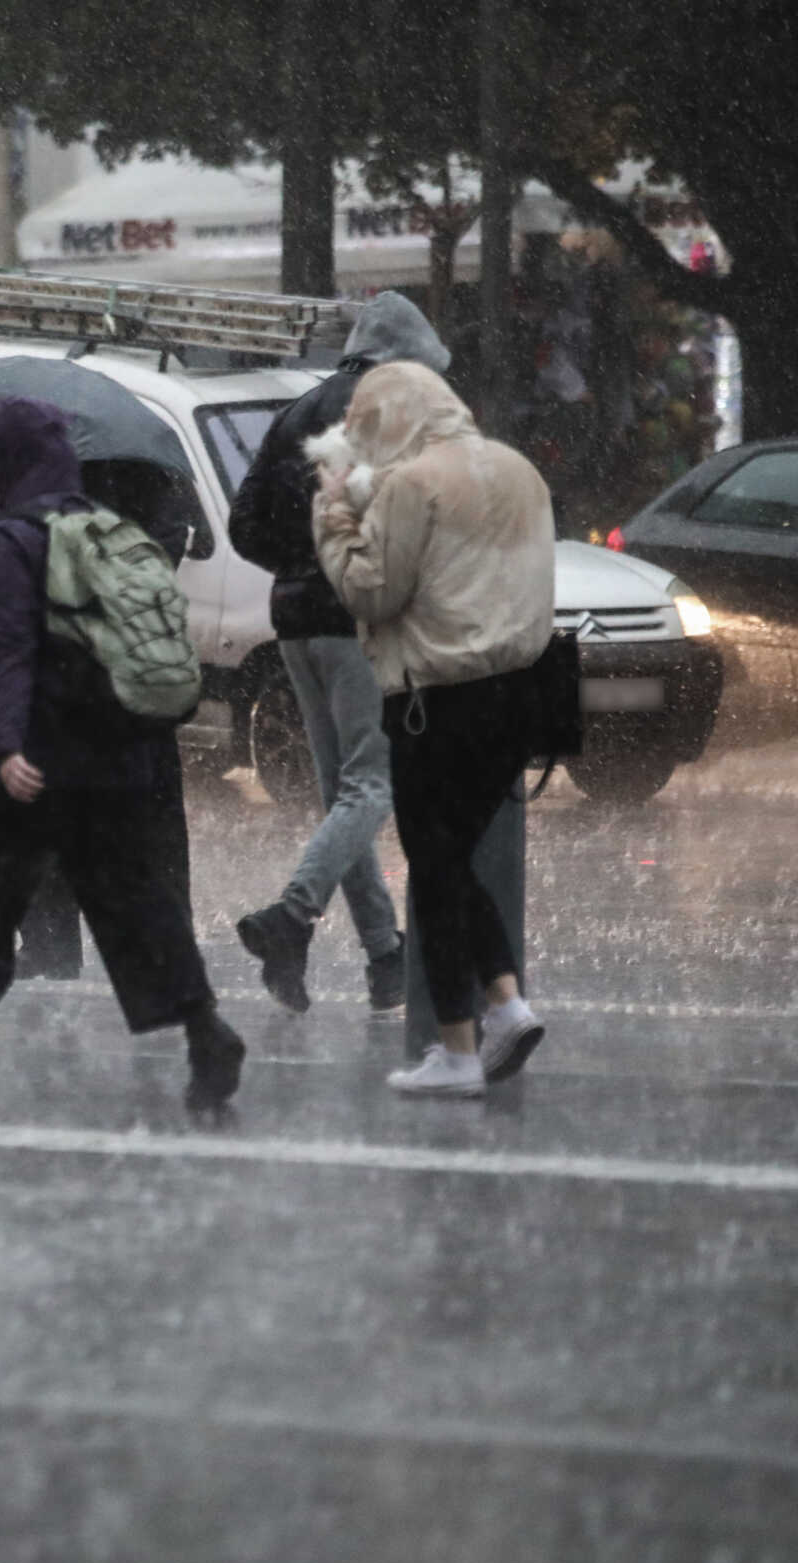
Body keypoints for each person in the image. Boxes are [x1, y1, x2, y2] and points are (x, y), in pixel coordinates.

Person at [0, 399, 245, 1111]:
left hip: (39, 761)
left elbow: (9, 651)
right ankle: (208, 1032)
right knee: (138, 906)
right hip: (118, 755)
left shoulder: (13, 537)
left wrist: (3, 748)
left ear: (9, 465)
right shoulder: (106, 529)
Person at [312, 360, 555, 1098]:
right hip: (522, 696)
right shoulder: (520, 471)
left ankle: (460, 1046)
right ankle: (504, 1005)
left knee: (436, 866)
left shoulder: (415, 483)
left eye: (367, 427)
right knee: (449, 861)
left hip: (438, 699)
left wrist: (335, 514)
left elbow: (371, 589)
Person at [226, 292, 454, 1015]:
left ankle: (387, 957)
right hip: (358, 617)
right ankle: (291, 916)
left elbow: (244, 524)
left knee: (343, 792)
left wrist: (300, 565)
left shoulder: (299, 410)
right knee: (373, 783)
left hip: (295, 621)